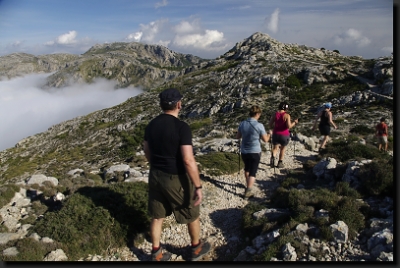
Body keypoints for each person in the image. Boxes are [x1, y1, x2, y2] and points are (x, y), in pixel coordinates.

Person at [143, 88, 211, 261]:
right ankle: (196, 248)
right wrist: (198, 185)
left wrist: (155, 165)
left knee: (157, 216)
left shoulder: (151, 125)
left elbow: (146, 149)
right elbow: (188, 160)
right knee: (192, 214)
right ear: (179, 104)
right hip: (176, 178)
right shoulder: (182, 127)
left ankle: (156, 253)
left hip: (155, 175)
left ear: (161, 105)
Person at [236, 105, 271, 199]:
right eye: (259, 114)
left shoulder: (242, 123)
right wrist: (269, 134)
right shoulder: (259, 126)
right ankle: (249, 190)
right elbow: (265, 140)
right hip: (255, 151)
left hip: (244, 151)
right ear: (257, 114)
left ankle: (248, 185)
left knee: (247, 169)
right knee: (253, 171)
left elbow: (238, 137)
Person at [269, 102, 298, 168]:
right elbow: (289, 126)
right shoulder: (287, 115)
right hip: (284, 134)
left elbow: (270, 124)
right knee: (282, 148)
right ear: (286, 108)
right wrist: (294, 122)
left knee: (275, 148)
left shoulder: (274, 114)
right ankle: (280, 162)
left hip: (276, 133)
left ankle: (273, 157)